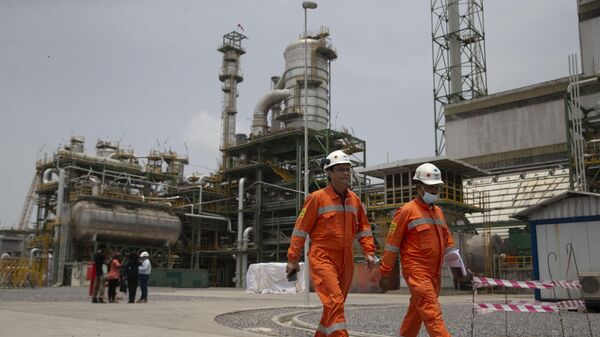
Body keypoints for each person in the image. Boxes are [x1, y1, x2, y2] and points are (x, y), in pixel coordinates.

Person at [286, 150, 376, 337]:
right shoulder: (316, 198)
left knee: (334, 306)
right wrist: (293, 258)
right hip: (323, 258)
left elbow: (364, 228)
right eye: (341, 169)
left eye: (348, 169)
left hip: (346, 260)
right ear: (329, 172)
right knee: (334, 302)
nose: (346, 173)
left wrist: (369, 251)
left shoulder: (355, 200)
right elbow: (300, 229)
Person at [379, 163, 467, 337]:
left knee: (416, 312)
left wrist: (457, 266)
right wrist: (385, 274)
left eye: (436, 188)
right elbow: (391, 246)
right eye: (430, 187)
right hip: (417, 273)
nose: (434, 191)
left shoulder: (438, 212)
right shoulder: (406, 212)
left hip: (435, 274)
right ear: (418, 186)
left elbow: (448, 242)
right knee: (433, 315)